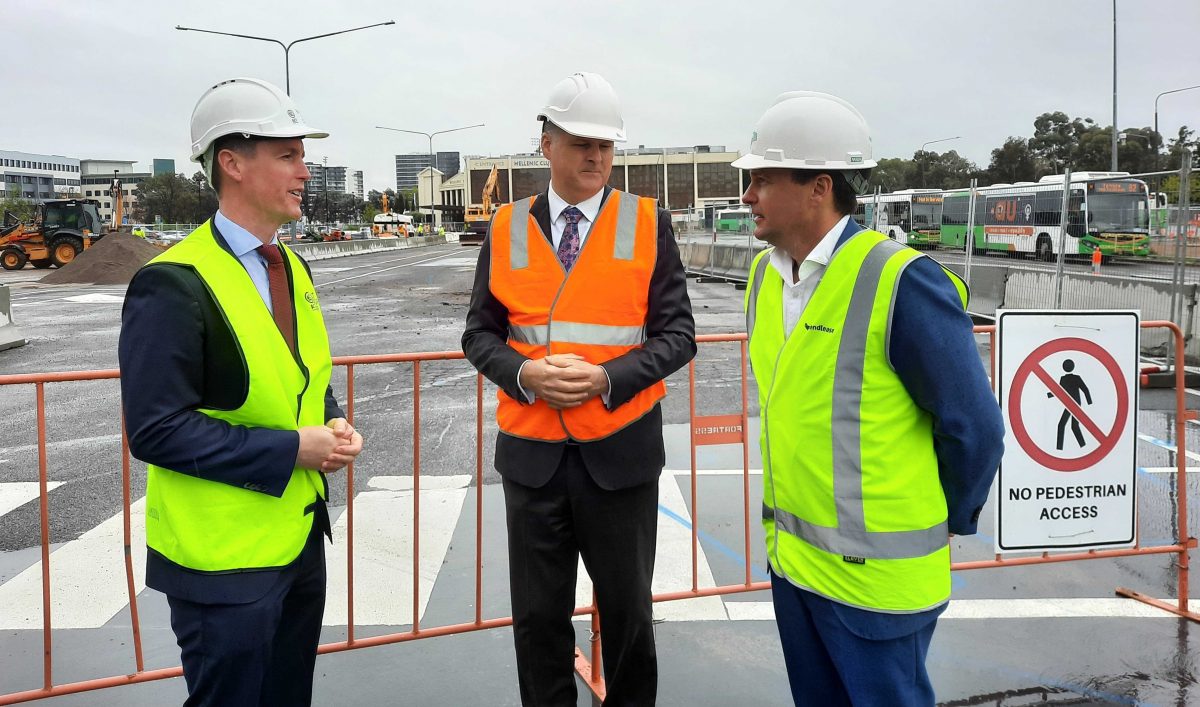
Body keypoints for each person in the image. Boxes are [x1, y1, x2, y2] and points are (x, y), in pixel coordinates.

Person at [737, 92, 1004, 706]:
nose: (747, 195)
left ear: (818, 187)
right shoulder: (764, 277)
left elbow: (974, 428)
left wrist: (946, 517)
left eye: (762, 179)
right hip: (796, 568)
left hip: (876, 585)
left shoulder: (902, 280)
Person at [118, 77, 363, 707]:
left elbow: (301, 380)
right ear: (231, 162)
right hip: (222, 564)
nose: (306, 171)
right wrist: (292, 451)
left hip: (299, 540)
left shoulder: (292, 266)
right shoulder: (173, 282)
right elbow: (156, 429)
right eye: (288, 154)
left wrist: (331, 425)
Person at [462, 71, 695, 706]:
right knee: (538, 622)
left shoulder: (647, 222)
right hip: (533, 459)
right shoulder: (505, 227)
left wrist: (607, 379)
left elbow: (678, 336)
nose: (595, 156)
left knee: (628, 621)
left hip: (620, 457)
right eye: (581, 141)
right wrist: (522, 373)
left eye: (606, 145)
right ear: (546, 143)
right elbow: (479, 335)